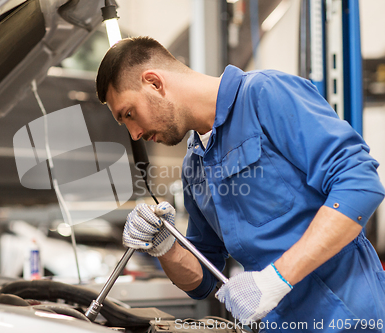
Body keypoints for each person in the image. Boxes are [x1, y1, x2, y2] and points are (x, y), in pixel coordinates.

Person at [96, 36, 385, 332]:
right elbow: (204, 279)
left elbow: (359, 183)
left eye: (129, 114)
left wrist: (277, 278)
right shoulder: (194, 166)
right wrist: (166, 246)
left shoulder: (265, 94)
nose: (134, 134)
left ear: (154, 83)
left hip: (348, 318)